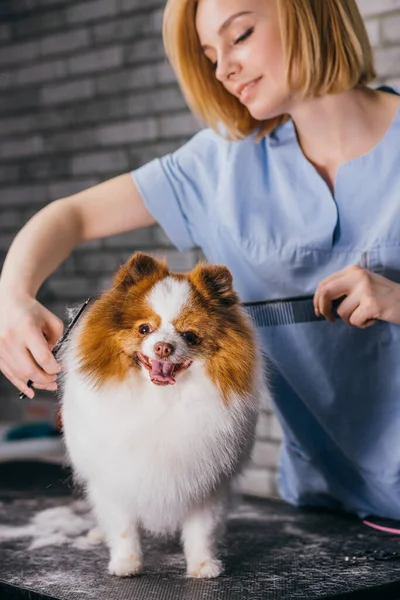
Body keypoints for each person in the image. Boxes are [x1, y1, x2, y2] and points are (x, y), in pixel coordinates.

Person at [1, 0, 400, 519]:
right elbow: (69, 216)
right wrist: (12, 299)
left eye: (240, 35)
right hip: (326, 507)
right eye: (210, 54)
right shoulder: (217, 167)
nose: (223, 69)